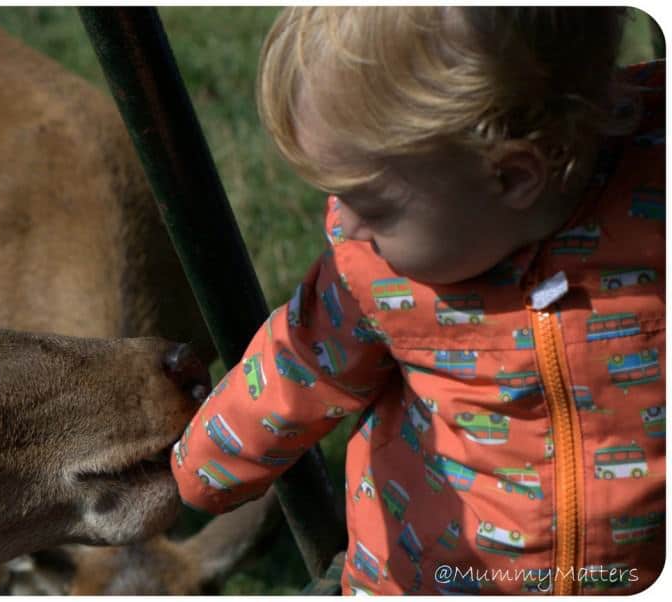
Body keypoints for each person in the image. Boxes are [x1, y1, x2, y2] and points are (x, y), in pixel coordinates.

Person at [172, 7, 664, 594]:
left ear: (510, 177)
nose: (343, 224)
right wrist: (197, 470)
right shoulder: (374, 274)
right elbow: (295, 366)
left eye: (372, 205)